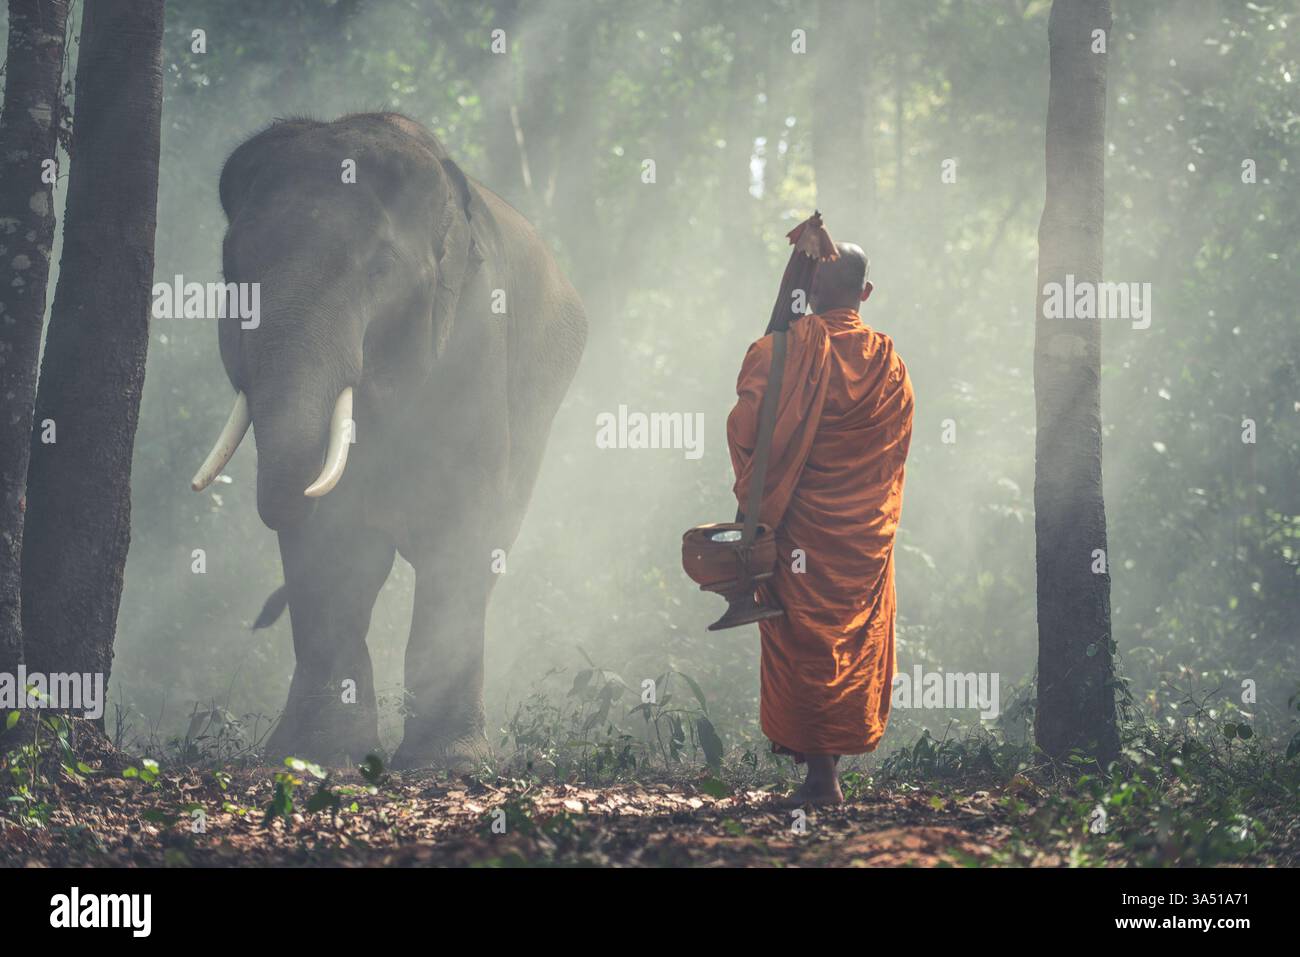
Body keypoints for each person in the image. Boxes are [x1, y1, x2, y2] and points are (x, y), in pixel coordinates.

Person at [727, 242, 914, 806]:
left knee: (803, 637)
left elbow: (745, 429)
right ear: (865, 293)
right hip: (861, 537)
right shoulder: (889, 364)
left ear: (806, 287)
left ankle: (820, 779)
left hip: (797, 529)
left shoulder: (777, 353)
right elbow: (892, 450)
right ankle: (822, 777)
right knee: (846, 638)